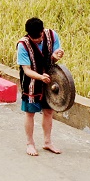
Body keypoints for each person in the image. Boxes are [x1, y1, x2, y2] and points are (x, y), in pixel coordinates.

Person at [18, 17, 64, 157]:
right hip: (31, 83)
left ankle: (47, 142)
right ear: (28, 34)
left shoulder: (51, 35)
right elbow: (26, 70)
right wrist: (40, 77)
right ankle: (30, 143)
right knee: (30, 113)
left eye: (39, 37)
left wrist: (56, 56)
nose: (37, 40)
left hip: (50, 80)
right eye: (34, 38)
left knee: (49, 111)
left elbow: (54, 56)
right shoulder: (23, 45)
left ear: (42, 32)